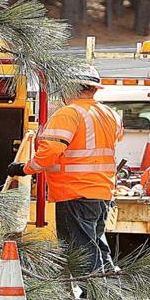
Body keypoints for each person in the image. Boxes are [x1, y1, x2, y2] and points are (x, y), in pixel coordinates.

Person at [8, 64, 123, 287]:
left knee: (82, 252)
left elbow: (49, 153)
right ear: (94, 88)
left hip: (74, 193)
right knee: (97, 247)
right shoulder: (110, 114)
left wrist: (23, 168)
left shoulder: (68, 114)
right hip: (101, 193)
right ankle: (111, 299)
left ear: (68, 86)